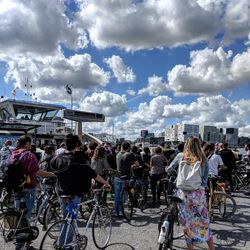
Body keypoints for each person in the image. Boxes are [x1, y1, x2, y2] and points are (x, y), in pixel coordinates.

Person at [50, 134, 110, 217]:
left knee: (65, 219)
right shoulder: (78, 160)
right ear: (76, 145)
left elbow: (52, 166)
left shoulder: (57, 158)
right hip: (74, 193)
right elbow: (93, 174)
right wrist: (106, 183)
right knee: (71, 222)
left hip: (61, 191)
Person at [174, 137, 214, 250]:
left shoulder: (180, 156)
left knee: (187, 224)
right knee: (203, 223)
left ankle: (191, 248)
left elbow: (170, 168)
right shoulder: (203, 159)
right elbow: (205, 179)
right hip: (198, 195)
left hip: (183, 195)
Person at [8, 135, 55, 218]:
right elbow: (38, 172)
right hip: (27, 188)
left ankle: (18, 230)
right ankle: (23, 230)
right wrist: (52, 174)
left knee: (18, 216)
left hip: (16, 188)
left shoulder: (13, 154)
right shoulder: (29, 155)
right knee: (25, 217)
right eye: (30, 144)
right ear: (27, 143)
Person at [114, 141, 138, 217]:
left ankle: (117, 211)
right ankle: (122, 211)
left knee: (117, 195)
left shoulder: (118, 154)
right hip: (126, 177)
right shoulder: (130, 154)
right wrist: (133, 166)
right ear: (128, 147)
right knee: (124, 195)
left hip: (117, 176)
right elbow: (137, 164)